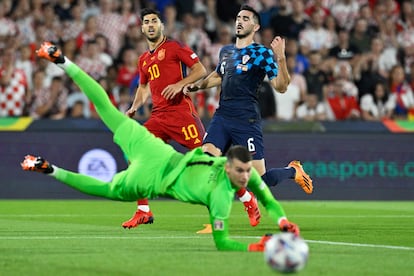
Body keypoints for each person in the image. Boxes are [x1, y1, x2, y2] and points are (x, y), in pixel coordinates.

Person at [21, 41, 300, 252]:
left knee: (106, 189)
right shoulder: (227, 166)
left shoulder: (217, 201)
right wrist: (283, 223)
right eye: (240, 171)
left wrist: (256, 246)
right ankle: (63, 61)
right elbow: (273, 206)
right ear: (229, 164)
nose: (244, 176)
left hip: (155, 180)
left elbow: (224, 242)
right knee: (107, 109)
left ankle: (50, 170)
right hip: (160, 153)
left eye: (243, 173)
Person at [184, 5, 313, 233]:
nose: (240, 21)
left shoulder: (261, 53)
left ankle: (293, 171)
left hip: (246, 120)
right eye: (238, 18)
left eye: (245, 18)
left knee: (258, 179)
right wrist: (197, 85)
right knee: (206, 166)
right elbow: (218, 75)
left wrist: (281, 58)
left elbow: (281, 87)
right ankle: (217, 220)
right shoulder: (226, 51)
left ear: (256, 26)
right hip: (222, 117)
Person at [122, 8, 207, 229]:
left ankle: (246, 197)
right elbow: (143, 88)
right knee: (134, 152)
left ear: (161, 26)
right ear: (142, 28)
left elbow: (200, 69)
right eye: (146, 22)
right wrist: (133, 108)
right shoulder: (143, 60)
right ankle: (143, 210)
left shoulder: (174, 47)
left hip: (181, 114)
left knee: (208, 160)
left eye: (154, 21)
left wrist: (179, 85)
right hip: (158, 117)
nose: (150, 25)